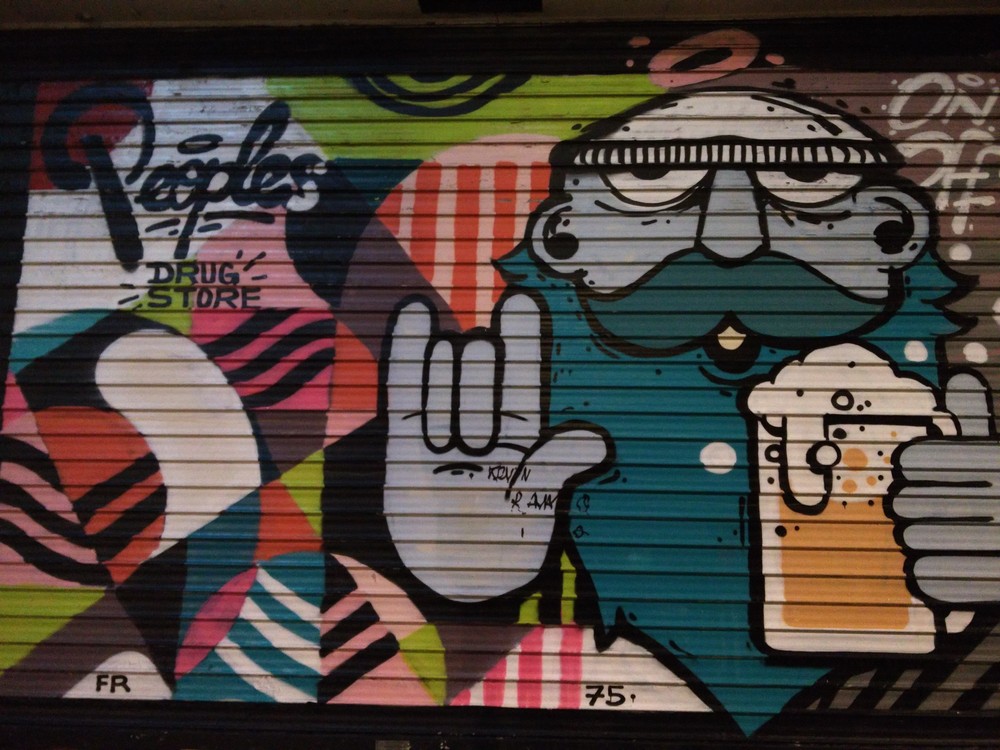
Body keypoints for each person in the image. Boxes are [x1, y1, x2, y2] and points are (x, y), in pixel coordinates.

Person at [382, 88, 1000, 733]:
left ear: (894, 229)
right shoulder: (530, 406)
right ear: (563, 238)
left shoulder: (926, 403)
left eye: (806, 174)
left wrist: (973, 606)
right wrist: (468, 559)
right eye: (652, 178)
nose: (732, 237)